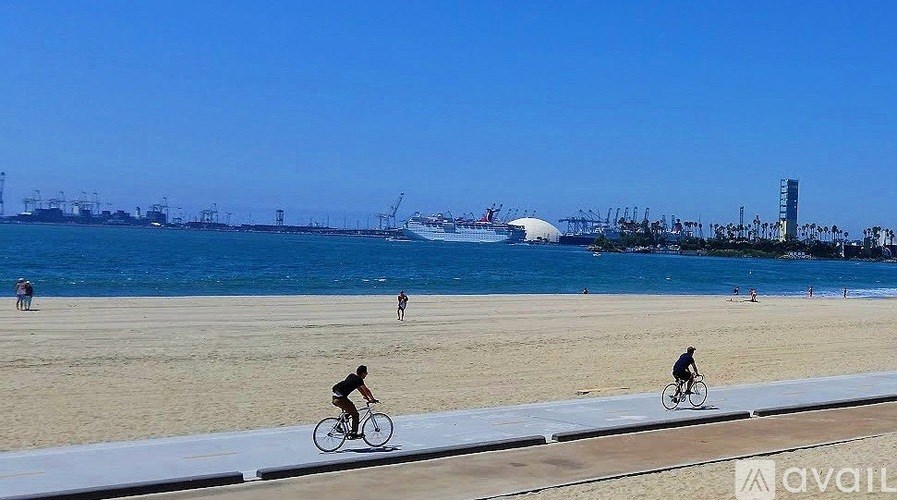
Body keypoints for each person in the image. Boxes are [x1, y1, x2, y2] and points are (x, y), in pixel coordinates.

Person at [331, 365, 378, 439]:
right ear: (362, 373)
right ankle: (354, 433)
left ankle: (339, 425)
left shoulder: (351, 376)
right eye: (366, 372)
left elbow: (360, 389)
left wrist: (366, 397)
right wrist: (372, 399)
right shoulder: (359, 380)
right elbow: (366, 390)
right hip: (340, 399)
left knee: (350, 410)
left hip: (335, 397)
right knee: (355, 414)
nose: (366, 374)